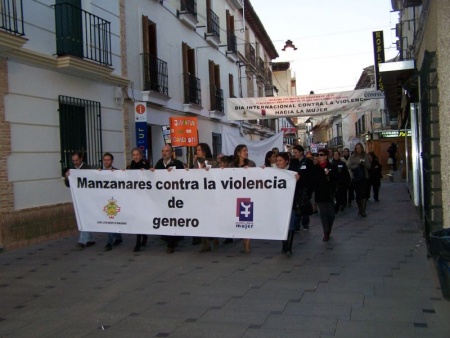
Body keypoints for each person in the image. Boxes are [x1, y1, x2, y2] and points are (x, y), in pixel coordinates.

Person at [154, 145, 185, 254]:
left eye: (166, 151)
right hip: (163, 196)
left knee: (173, 218)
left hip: (175, 197)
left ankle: (171, 243)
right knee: (166, 218)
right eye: (162, 151)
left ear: (171, 153)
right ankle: (171, 238)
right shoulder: (159, 163)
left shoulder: (177, 164)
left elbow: (184, 177)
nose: (164, 153)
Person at [64, 151, 96, 249]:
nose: (75, 162)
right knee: (83, 217)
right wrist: (67, 177)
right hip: (79, 198)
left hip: (88, 198)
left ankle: (83, 240)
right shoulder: (72, 170)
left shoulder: (88, 169)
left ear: (81, 159)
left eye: (77, 160)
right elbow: (69, 184)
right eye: (73, 161)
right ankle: (90, 238)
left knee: (84, 218)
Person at [191, 143, 219, 252]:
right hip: (199, 195)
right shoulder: (195, 163)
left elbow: (217, 177)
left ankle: (215, 236)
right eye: (196, 150)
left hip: (210, 195)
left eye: (198, 150)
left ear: (204, 152)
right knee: (201, 219)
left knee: (211, 218)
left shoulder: (213, 163)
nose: (196, 152)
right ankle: (205, 243)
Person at [229, 144, 256, 253]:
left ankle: (247, 242)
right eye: (244, 150)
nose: (246, 152)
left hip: (247, 194)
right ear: (238, 153)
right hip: (235, 194)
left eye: (247, 150)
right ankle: (243, 238)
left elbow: (256, 176)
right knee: (238, 218)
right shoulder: (232, 165)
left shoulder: (251, 163)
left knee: (247, 218)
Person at [311, 148, 338, 241]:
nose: (319, 157)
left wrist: (329, 175)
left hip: (330, 194)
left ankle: (328, 229)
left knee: (331, 214)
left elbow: (336, 179)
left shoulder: (332, 166)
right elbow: (312, 181)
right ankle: (326, 232)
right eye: (318, 155)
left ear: (326, 156)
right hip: (320, 194)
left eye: (321, 155)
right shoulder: (315, 168)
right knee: (323, 214)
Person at [276, 152, 299, 256]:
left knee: (290, 225)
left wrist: (298, 179)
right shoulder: (274, 172)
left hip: (291, 203)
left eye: (280, 160)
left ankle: (288, 247)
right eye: (277, 161)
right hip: (279, 203)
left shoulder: (293, 172)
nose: (278, 163)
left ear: (286, 161)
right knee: (281, 225)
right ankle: (284, 245)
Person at [129, 148, 150, 252]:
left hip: (144, 196)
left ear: (141, 155)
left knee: (142, 217)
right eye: (134, 155)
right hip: (135, 196)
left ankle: (142, 236)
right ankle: (139, 238)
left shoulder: (145, 164)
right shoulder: (131, 166)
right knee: (137, 218)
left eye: (137, 154)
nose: (136, 156)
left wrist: (146, 172)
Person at [288, 145, 314, 231]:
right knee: (296, 205)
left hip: (305, 187)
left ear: (301, 152)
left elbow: (311, 175)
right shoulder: (293, 162)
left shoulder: (308, 162)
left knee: (304, 203)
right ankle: (296, 225)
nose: (294, 154)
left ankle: (305, 223)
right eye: (293, 152)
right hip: (295, 186)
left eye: (295, 152)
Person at [101, 153, 123, 251]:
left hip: (115, 200)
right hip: (105, 200)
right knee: (111, 219)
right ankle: (117, 238)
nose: (106, 162)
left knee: (112, 218)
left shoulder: (117, 172)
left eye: (108, 160)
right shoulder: (100, 172)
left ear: (112, 161)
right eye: (104, 160)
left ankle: (109, 242)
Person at [348, 143, 370, 217]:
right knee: (358, 195)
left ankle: (363, 211)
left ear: (362, 148)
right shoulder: (353, 156)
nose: (358, 149)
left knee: (363, 194)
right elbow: (349, 165)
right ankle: (360, 208)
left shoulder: (365, 156)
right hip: (356, 177)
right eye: (357, 148)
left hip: (364, 177)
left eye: (360, 147)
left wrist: (363, 163)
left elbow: (369, 166)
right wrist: (356, 166)